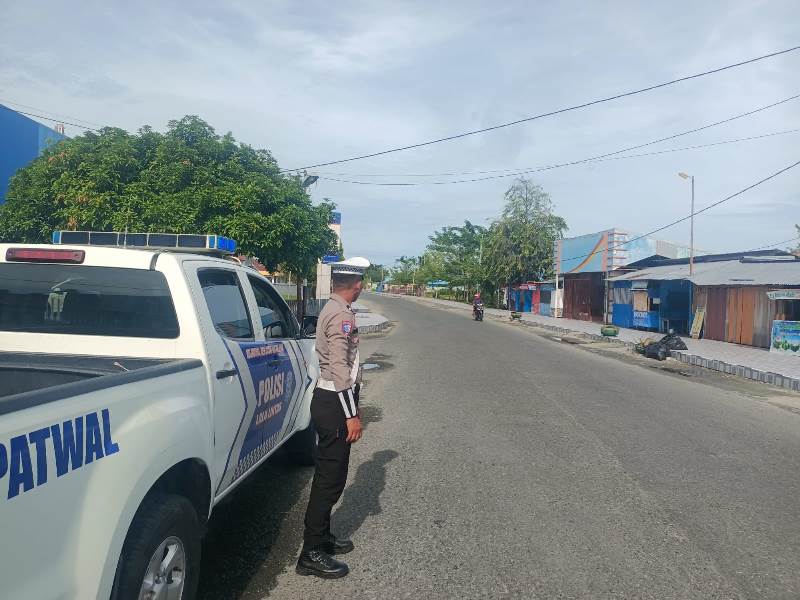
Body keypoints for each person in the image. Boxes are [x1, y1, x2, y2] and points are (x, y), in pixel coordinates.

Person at [296, 256, 370, 579]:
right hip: (333, 403)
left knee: (331, 474)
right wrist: (351, 414)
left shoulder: (334, 308)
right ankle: (310, 553)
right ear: (356, 285)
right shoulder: (341, 314)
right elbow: (340, 367)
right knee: (330, 479)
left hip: (331, 400)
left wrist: (353, 404)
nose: (362, 286)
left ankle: (322, 537)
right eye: (361, 282)